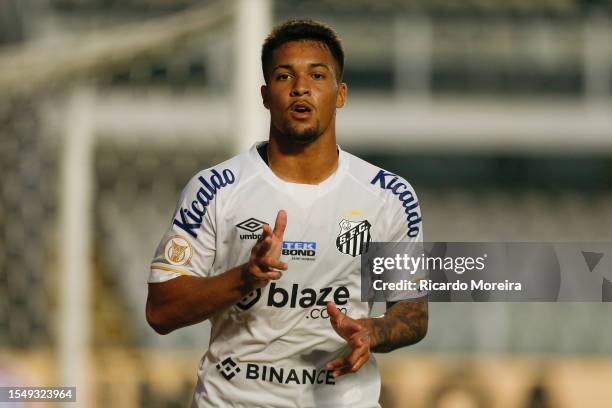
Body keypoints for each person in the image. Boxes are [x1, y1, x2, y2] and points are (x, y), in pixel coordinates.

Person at [146, 19, 428, 408]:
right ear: (265, 95)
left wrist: (374, 331)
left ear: (340, 93)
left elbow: (412, 311)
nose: (300, 87)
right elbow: (160, 310)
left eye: (317, 74)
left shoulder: (388, 196)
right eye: (284, 76)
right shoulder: (215, 189)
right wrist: (244, 278)